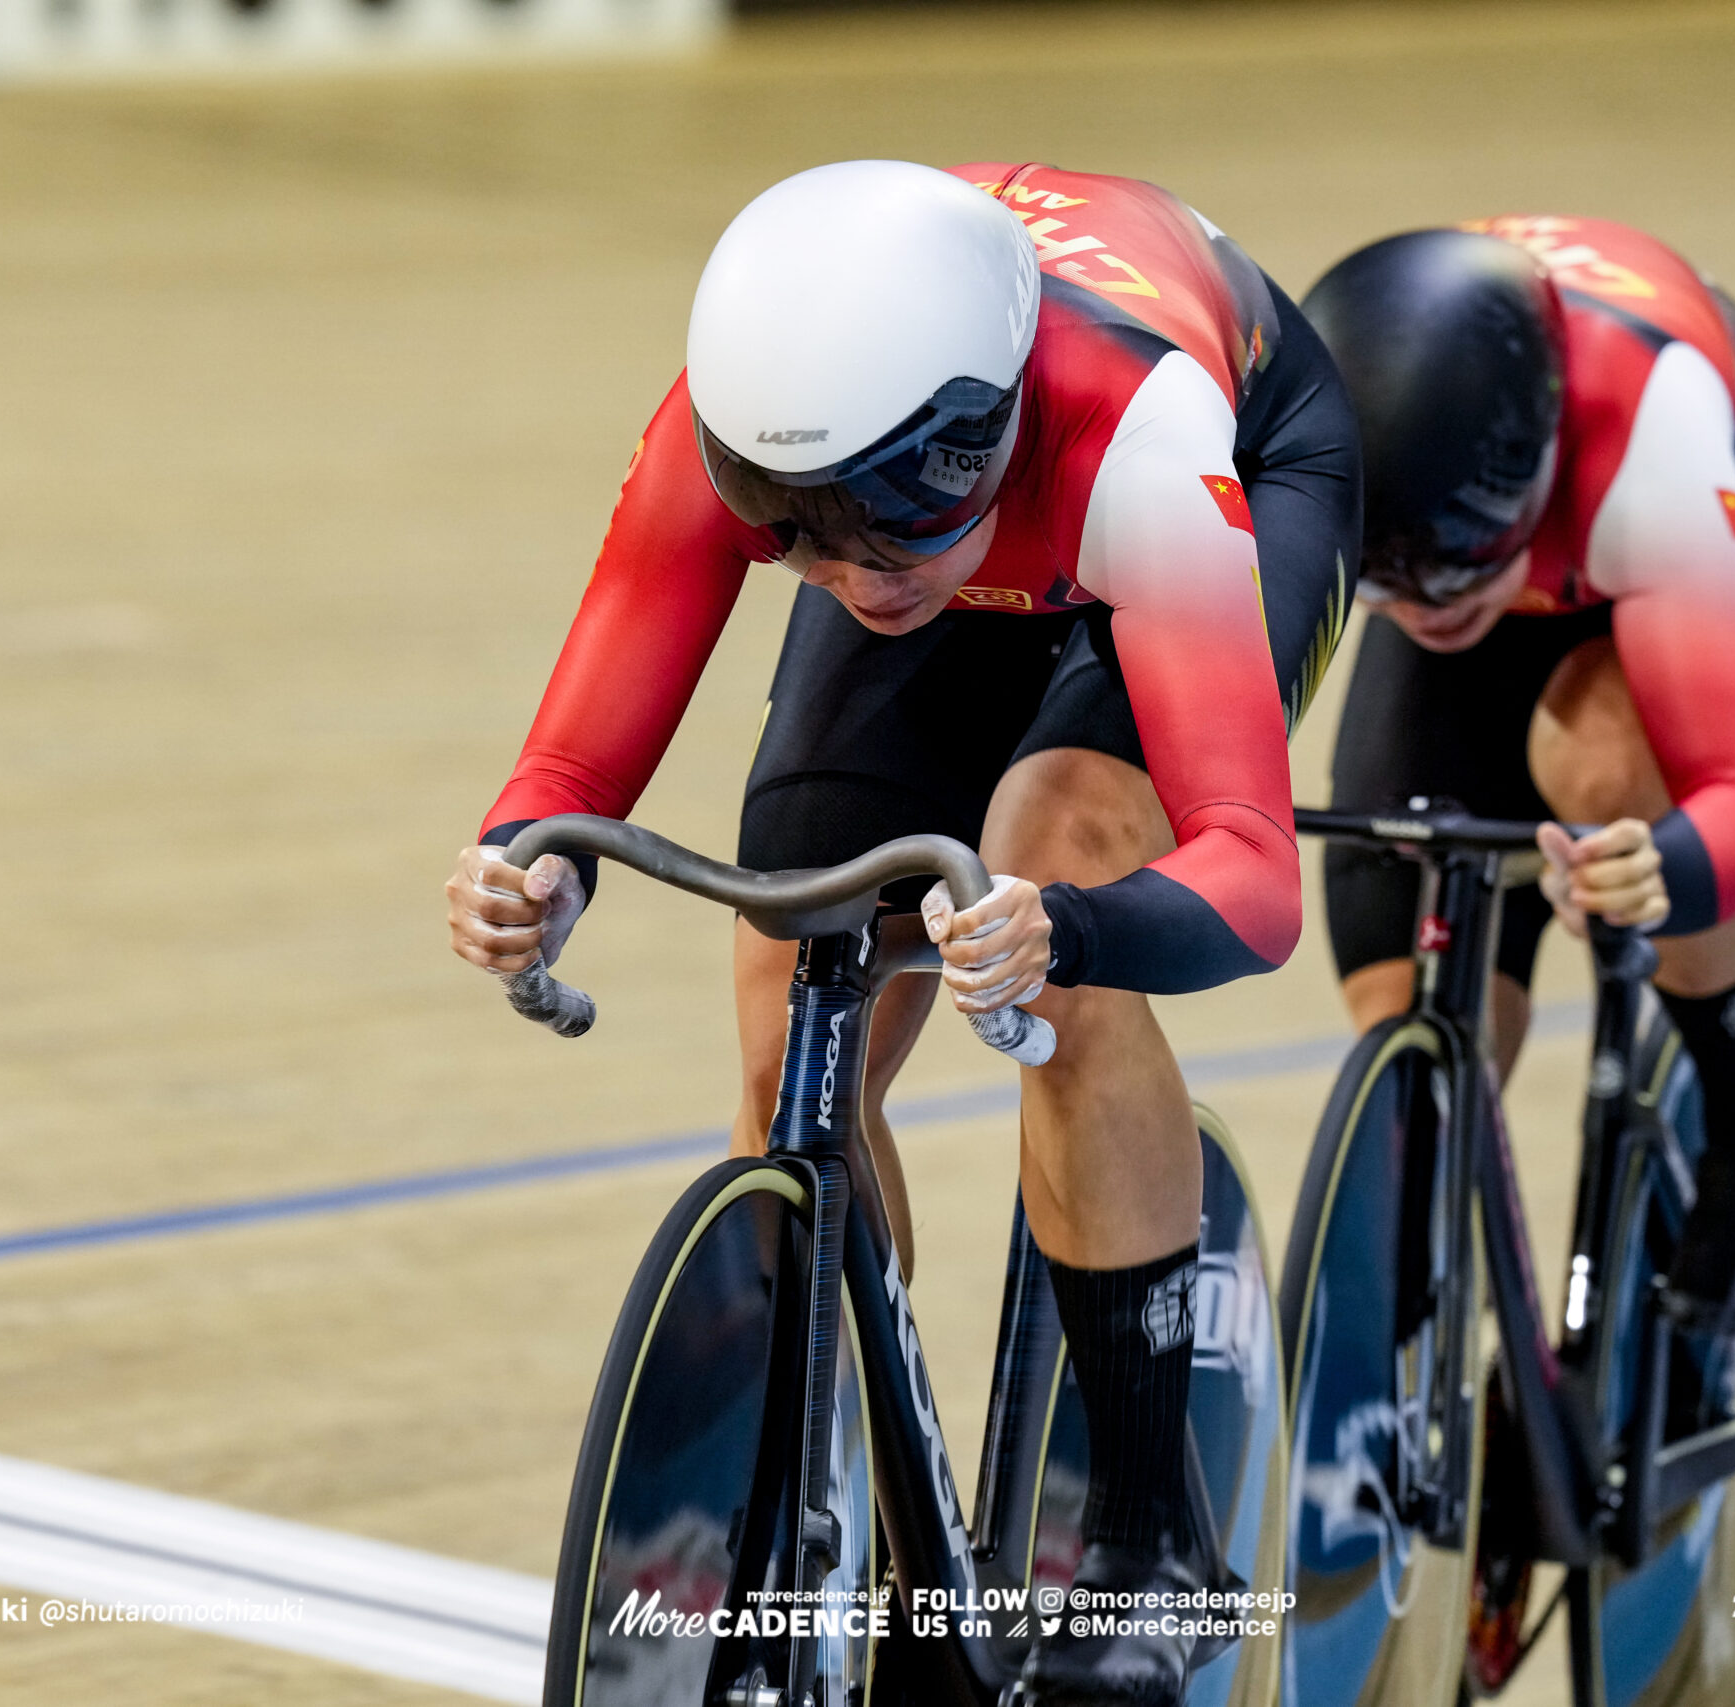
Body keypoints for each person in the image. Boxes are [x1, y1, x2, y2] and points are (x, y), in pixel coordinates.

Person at [445, 159, 1357, 1704]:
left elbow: (1253, 879)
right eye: (792, 537)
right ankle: (849, 1505)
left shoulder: (1138, 439)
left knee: (1047, 844)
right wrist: (524, 867)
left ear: (979, 438)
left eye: (881, 529)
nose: (841, 572)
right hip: (984, 509)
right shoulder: (771, 445)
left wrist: (1065, 928)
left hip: (1237, 468)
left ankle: (1150, 1526)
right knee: (797, 950)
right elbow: (571, 774)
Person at [1304, 215, 1735, 1337]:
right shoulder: (1338, 461)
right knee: (1401, 1019)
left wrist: (1654, 862)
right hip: (1499, 535)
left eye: (1441, 572)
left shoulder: (1649, 448)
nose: (1419, 608)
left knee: (1606, 761)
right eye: (1384, 580)